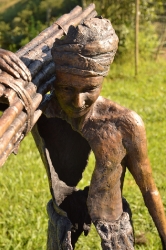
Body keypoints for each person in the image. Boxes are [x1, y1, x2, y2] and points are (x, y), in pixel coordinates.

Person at [1, 17, 166, 250]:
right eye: (66, 89)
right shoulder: (38, 110)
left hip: (114, 229)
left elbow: (149, 188)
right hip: (62, 223)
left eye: (90, 89)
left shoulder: (125, 124)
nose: (78, 102)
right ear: (54, 83)